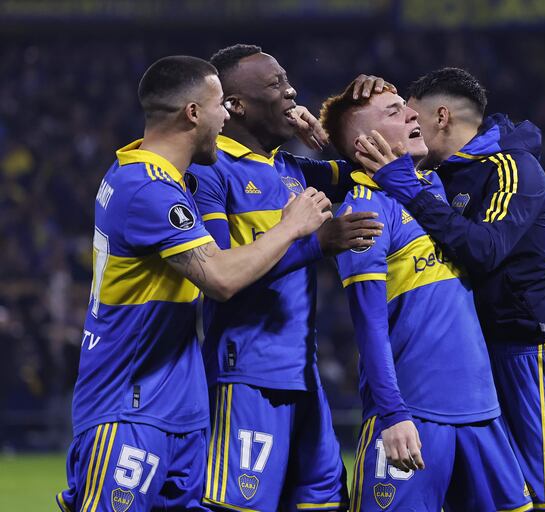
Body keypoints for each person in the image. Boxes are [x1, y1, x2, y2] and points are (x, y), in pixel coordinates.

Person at [57, 55, 331, 512]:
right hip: (129, 405)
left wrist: (307, 135)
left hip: (177, 407)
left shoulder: (156, 172)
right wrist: (291, 227)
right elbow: (220, 278)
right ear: (193, 113)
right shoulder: (147, 189)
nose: (227, 117)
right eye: (221, 105)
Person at [361, 67, 545, 512]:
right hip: (479, 371)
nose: (407, 126)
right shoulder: (438, 177)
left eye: (412, 116)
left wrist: (410, 191)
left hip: (537, 361)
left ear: (441, 117)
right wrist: (325, 128)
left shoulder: (514, 168)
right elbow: (353, 174)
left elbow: (486, 250)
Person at [186, 44, 387, 512]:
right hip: (246, 373)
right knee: (238, 506)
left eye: (288, 79)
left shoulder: (292, 169)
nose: (291, 90)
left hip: (302, 371)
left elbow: (373, 168)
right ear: (235, 105)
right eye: (275, 83)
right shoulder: (212, 173)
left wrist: (331, 137)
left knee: (323, 503)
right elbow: (221, 269)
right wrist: (317, 243)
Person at [319, 80, 533, 512]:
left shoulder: (434, 187)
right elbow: (370, 326)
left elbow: (496, 139)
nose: (414, 115)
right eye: (395, 112)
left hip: (483, 414)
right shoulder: (365, 211)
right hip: (414, 417)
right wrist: (393, 415)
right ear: (367, 142)